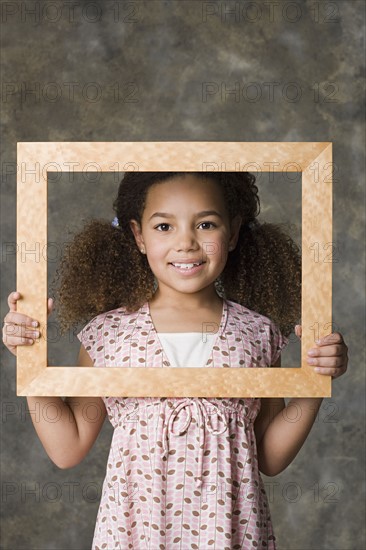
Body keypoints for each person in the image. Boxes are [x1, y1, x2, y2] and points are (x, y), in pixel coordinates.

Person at [2, 172, 348, 550]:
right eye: (164, 226)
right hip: (135, 534)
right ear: (138, 235)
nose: (186, 242)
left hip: (230, 533)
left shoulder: (257, 334)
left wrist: (315, 383)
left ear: (232, 233)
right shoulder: (108, 334)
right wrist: (31, 360)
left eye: (206, 224)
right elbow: (67, 448)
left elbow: (268, 456)